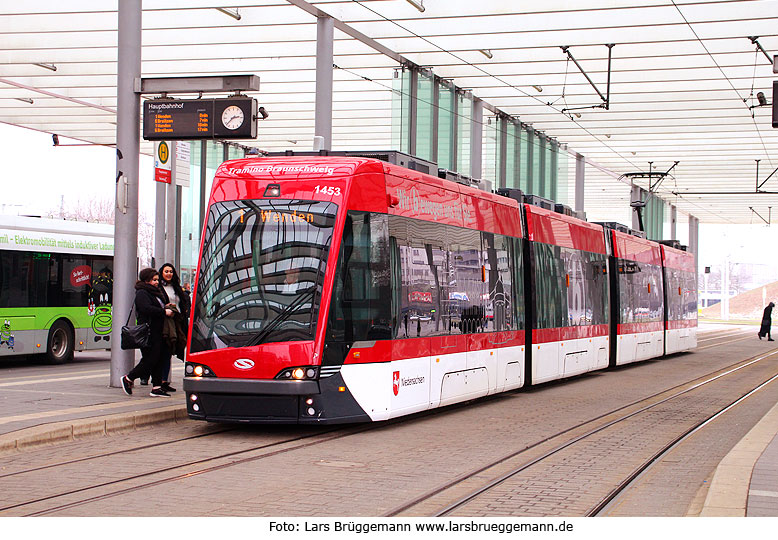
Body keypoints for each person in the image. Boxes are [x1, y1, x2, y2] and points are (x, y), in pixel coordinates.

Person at [121, 268, 175, 397]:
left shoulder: (155, 292)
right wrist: (163, 312)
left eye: (157, 280)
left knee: (159, 358)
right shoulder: (142, 293)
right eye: (154, 280)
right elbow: (145, 308)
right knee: (150, 359)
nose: (157, 282)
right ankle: (128, 378)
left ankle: (156, 387)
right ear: (147, 280)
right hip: (149, 332)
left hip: (157, 331)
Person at [156, 263, 191, 391]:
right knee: (162, 351)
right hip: (164, 322)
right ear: (161, 273)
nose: (169, 274)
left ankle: (164, 381)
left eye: (171, 271)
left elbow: (183, 304)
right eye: (166, 271)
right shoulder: (158, 288)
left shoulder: (177, 288)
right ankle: (157, 380)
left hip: (176, 322)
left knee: (169, 351)